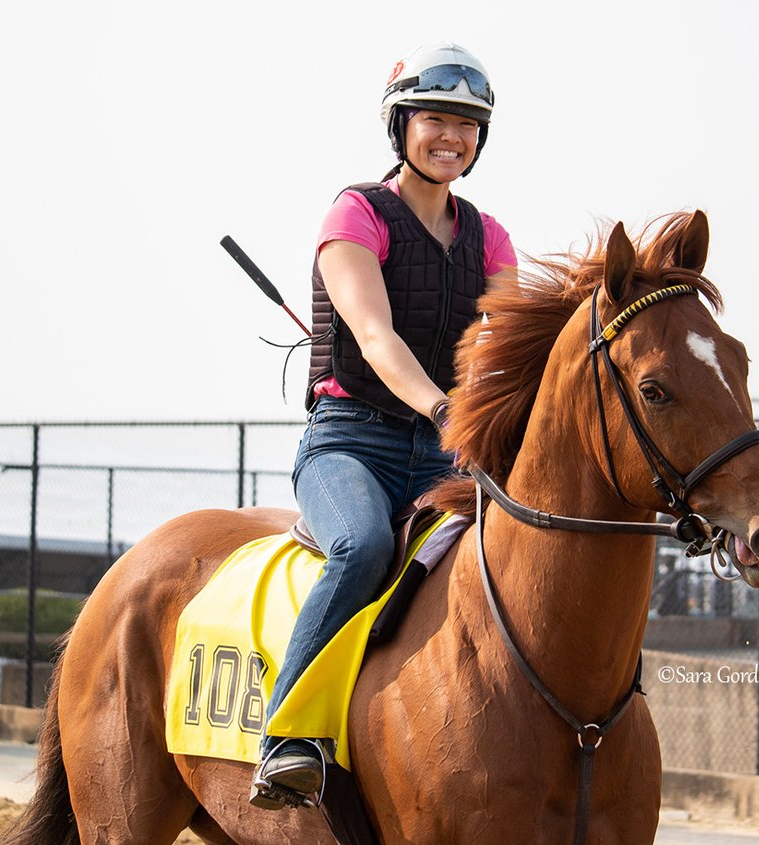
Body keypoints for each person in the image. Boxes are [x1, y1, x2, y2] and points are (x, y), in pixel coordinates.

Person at [249, 42, 518, 809]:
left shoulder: (491, 238)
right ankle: (289, 734)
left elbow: (505, 348)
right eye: (435, 118)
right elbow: (375, 339)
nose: (451, 137)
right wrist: (444, 408)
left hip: (446, 457)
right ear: (401, 124)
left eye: (467, 125)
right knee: (363, 544)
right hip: (349, 443)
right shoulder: (356, 214)